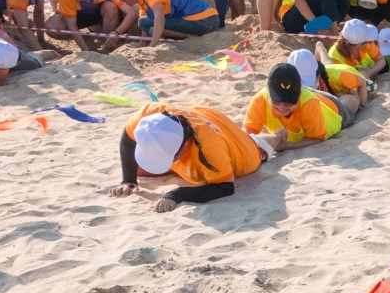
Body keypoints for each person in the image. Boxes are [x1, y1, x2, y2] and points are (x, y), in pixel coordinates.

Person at [115, 103, 273, 212]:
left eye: (170, 158)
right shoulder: (149, 118)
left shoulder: (209, 148)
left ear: (184, 147)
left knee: (266, 142)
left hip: (247, 149)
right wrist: (128, 180)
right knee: (139, 171)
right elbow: (127, 138)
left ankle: (280, 138)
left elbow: (225, 187)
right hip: (204, 115)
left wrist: (176, 195)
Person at [244, 61, 347, 147]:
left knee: (352, 102)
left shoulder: (309, 104)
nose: (282, 106)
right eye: (276, 100)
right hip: (308, 94)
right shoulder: (260, 100)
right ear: (267, 92)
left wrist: (288, 145)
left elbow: (317, 139)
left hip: (334, 109)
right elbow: (247, 133)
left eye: (289, 101)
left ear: (299, 95)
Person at [45, 0, 117, 51]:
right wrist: (86, 50)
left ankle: (108, 44)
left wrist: (117, 32)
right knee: (51, 27)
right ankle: (85, 38)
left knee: (110, 7)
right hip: (79, 15)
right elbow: (71, 24)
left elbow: (128, 10)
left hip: (99, 14)